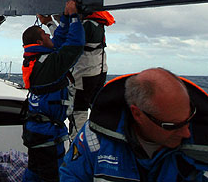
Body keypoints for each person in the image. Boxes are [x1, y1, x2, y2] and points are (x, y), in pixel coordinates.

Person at [60, 67, 208, 181]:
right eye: (172, 126)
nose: (186, 133)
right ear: (137, 114)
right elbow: (71, 175)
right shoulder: (94, 137)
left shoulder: (203, 145)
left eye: (189, 119)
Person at [21, 0, 84, 182]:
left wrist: (64, 18)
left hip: (37, 132)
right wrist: (74, 17)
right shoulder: (48, 65)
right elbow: (75, 46)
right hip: (47, 137)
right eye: (46, 34)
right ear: (40, 41)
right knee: (52, 176)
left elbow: (57, 41)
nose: (50, 36)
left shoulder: (37, 60)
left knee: (34, 172)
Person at [70, 10, 115, 136]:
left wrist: (51, 23)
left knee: (79, 109)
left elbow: (69, 41)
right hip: (98, 72)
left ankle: (77, 142)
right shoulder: (96, 23)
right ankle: (101, 136)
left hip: (85, 74)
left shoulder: (87, 25)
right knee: (96, 105)